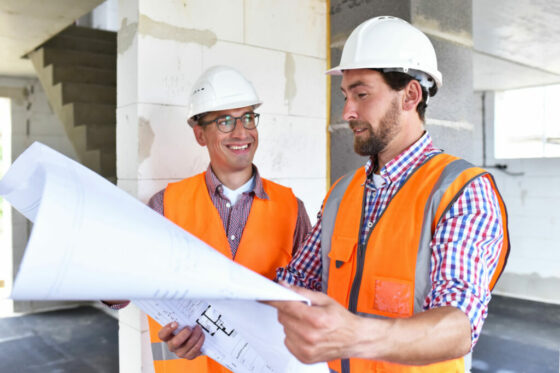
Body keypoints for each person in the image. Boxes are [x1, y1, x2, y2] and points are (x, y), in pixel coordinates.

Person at [267, 16, 510, 373]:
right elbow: (294, 285)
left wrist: (354, 335)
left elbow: (459, 325)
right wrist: (206, 317)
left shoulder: (462, 191)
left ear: (411, 95)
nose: (348, 112)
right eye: (346, 95)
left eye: (362, 94)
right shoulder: (341, 193)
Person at [105, 65, 311, 373]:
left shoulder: (292, 208)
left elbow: (313, 299)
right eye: (226, 121)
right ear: (200, 134)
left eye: (248, 118)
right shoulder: (164, 206)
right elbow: (121, 293)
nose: (242, 132)